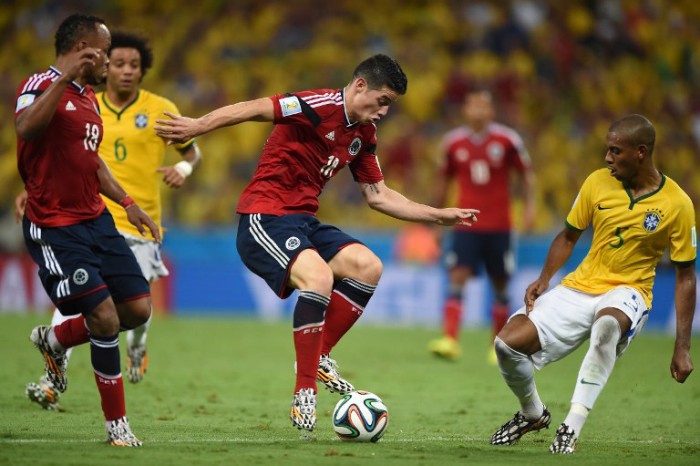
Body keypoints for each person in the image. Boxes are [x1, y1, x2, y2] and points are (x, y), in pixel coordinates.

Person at [154, 54, 479, 435]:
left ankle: (319, 355)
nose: (384, 111)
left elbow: (378, 196)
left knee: (367, 266)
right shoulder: (317, 105)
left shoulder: (364, 134)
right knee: (320, 278)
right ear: (360, 86)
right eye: (382, 100)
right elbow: (256, 107)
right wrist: (198, 124)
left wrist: (438, 215)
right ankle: (304, 390)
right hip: (264, 217)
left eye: (390, 105)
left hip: (302, 221)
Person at [489, 114, 696, 454]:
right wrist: (544, 279)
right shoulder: (597, 182)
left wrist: (682, 346)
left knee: (606, 326)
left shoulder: (677, 204)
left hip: (629, 291)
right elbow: (569, 236)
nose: (607, 159)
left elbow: (686, 275)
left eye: (616, 151)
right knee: (506, 345)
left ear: (641, 152)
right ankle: (533, 414)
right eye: (607, 150)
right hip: (580, 286)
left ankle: (572, 424)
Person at [22, 30, 202, 411]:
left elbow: (193, 151)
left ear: (142, 71)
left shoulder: (159, 108)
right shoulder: (84, 98)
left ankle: (136, 348)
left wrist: (184, 168)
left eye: (132, 65)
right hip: (92, 215)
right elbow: (58, 154)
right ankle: (53, 377)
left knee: (136, 312)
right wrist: (33, 187)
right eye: (116, 61)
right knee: (83, 306)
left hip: (138, 218)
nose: (123, 70)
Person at [15, 14, 161, 447]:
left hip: (96, 220)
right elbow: (25, 128)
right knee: (103, 317)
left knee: (137, 310)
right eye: (105, 50)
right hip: (55, 227)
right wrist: (64, 78)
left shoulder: (88, 98)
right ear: (84, 49)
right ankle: (117, 426)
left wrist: (128, 204)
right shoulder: (40, 84)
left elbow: (92, 161)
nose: (111, 60)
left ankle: (56, 338)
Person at [428, 90, 535, 361]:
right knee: (457, 277)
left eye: (483, 106)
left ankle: (496, 345)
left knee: (500, 283)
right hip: (466, 224)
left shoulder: (507, 140)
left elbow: (526, 176)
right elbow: (442, 182)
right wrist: (437, 220)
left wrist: (530, 208)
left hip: (500, 225)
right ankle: (450, 340)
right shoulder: (453, 143)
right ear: (465, 110)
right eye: (472, 105)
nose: (477, 110)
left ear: (491, 111)